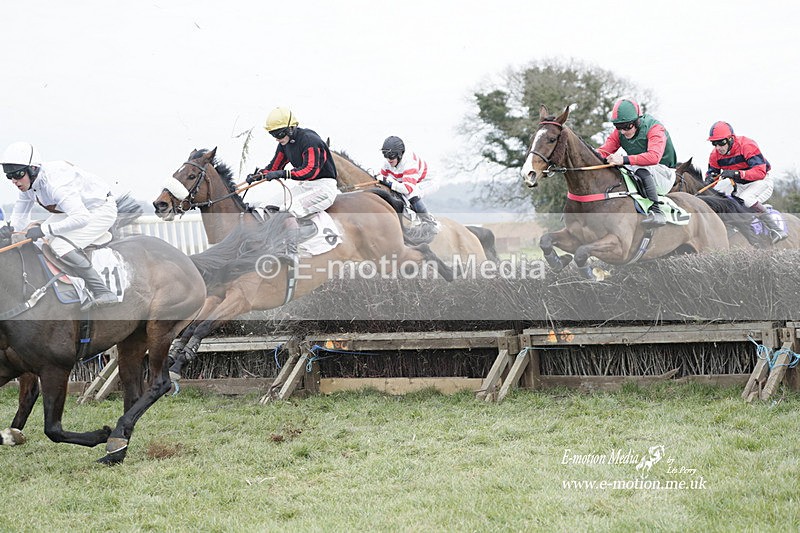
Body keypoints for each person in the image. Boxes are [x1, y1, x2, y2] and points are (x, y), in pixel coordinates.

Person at [0, 141, 119, 310]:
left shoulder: (57, 184)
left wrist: (43, 229)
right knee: (32, 239)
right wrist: (7, 230)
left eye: (18, 174)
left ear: (33, 169)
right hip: (72, 212)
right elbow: (19, 221)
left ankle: (102, 291)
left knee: (60, 246)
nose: (14, 180)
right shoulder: (28, 185)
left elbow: (81, 218)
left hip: (99, 210)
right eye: (9, 176)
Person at [246, 107, 339, 253]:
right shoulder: (284, 144)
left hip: (323, 188)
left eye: (279, 133)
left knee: (286, 211)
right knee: (266, 206)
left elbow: (310, 171)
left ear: (290, 128)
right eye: (273, 134)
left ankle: (292, 252)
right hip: (305, 186)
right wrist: (259, 175)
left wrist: (282, 174)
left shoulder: (310, 141)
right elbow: (274, 167)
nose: (277, 138)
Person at [597, 98, 677, 226]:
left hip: (664, 173)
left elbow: (653, 157)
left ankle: (657, 212)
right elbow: (602, 152)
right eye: (618, 127)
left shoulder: (655, 128)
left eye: (626, 127)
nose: (623, 131)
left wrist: (623, 159)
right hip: (641, 170)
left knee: (638, 168)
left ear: (637, 121)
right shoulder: (620, 133)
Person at [706, 121, 786, 243]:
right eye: (714, 143)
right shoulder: (715, 154)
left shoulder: (747, 145)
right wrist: (709, 179)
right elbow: (712, 173)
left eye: (721, 142)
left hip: (761, 181)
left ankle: (776, 229)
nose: (718, 147)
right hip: (739, 184)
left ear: (731, 139)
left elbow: (760, 172)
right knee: (721, 197)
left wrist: (736, 173)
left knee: (745, 200)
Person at [378, 135, 439, 231]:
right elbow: (381, 178)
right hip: (410, 181)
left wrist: (389, 183)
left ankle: (430, 222)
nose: (389, 159)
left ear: (399, 154)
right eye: (386, 155)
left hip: (428, 182)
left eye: (391, 156)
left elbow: (407, 188)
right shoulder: (388, 163)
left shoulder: (409, 162)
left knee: (412, 193)